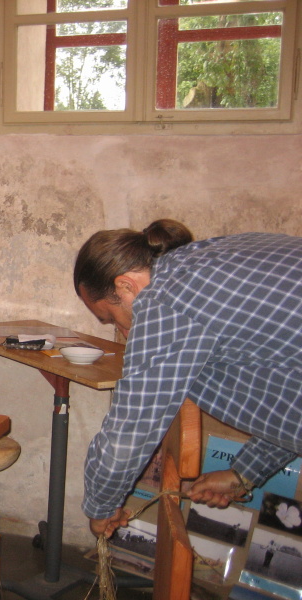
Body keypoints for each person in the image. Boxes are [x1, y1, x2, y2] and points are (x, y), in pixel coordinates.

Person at [73, 219, 302, 538]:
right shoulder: (210, 260)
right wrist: (242, 474)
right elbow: (288, 398)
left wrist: (100, 507)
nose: (124, 333)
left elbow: (132, 427)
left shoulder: (166, 299)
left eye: (112, 318)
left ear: (125, 285)